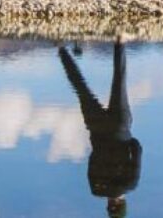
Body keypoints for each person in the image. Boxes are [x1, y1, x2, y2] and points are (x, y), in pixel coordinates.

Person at [59, 42, 142, 218]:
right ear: (109, 206)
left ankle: (119, 41)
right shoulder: (95, 189)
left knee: (119, 80)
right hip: (96, 130)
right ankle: (61, 49)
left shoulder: (130, 184)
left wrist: (127, 139)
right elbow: (91, 161)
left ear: (123, 204)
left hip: (120, 127)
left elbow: (137, 148)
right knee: (80, 87)